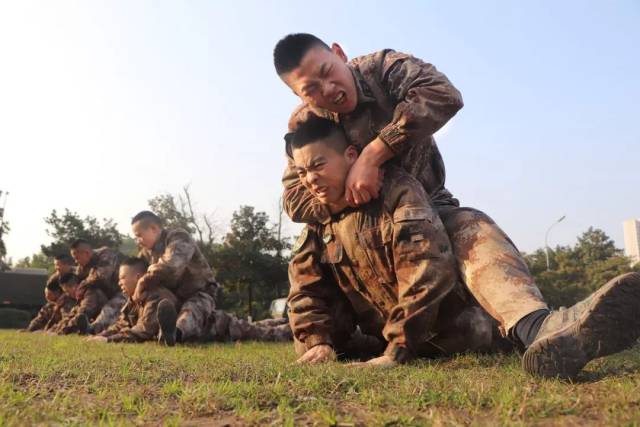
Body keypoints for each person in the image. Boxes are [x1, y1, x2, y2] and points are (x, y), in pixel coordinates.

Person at [286, 115, 640, 379]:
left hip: (456, 326)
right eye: (303, 173)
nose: (311, 178)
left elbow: (425, 265)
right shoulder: (317, 224)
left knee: (470, 233)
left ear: (351, 155)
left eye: (318, 165)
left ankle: (551, 330)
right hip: (392, 340)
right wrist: (318, 340)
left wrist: (398, 348)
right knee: (316, 333)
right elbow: (304, 291)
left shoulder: (395, 192)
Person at [131, 211, 291, 345]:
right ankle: (283, 324)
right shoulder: (146, 255)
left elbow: (171, 266)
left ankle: (175, 334)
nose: (138, 241)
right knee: (242, 327)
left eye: (139, 235)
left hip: (202, 294)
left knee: (192, 313)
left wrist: (143, 280)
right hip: (176, 301)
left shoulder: (177, 237)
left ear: (153, 228)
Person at [55, 239, 121, 334]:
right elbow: (77, 284)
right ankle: (69, 326)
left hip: (121, 293)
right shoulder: (82, 268)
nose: (76, 261)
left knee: (109, 308)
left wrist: (83, 285)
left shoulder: (106, 254)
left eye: (77, 258)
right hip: (102, 295)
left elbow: (101, 275)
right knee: (83, 301)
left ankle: (93, 329)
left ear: (86, 253)